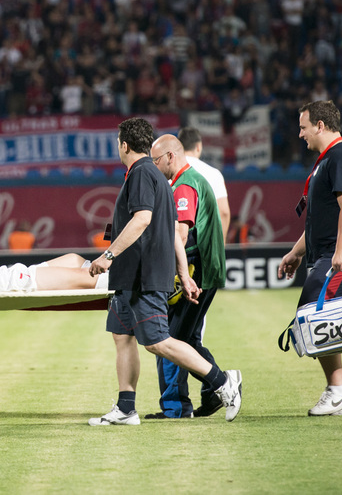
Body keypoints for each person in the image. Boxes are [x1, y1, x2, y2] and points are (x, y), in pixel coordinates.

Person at [85, 117, 242, 426]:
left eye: (118, 143)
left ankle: (223, 382)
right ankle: (126, 408)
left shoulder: (142, 173)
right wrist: (184, 273)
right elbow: (172, 232)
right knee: (122, 336)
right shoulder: (157, 177)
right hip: (130, 278)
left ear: (124, 145)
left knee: (159, 342)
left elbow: (143, 219)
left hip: (143, 277)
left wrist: (109, 254)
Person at [277, 101, 342, 416]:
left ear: (320, 125)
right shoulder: (329, 159)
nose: (300, 134)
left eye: (303, 127)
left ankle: (338, 391)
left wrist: (341, 249)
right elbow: (321, 219)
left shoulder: (341, 156)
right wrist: (296, 252)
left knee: (313, 310)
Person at [146, 134, 228, 420]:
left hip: (196, 272)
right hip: (206, 270)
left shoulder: (184, 186)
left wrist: (178, 272)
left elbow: (180, 234)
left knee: (170, 341)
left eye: (156, 160)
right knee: (188, 338)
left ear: (170, 156)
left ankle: (184, 403)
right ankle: (214, 391)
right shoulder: (192, 180)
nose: (154, 166)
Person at [177, 127, 232, 241]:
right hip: (204, 242)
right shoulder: (213, 174)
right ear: (198, 147)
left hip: (175, 240)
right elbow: (223, 212)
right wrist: (220, 244)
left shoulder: (169, 172)